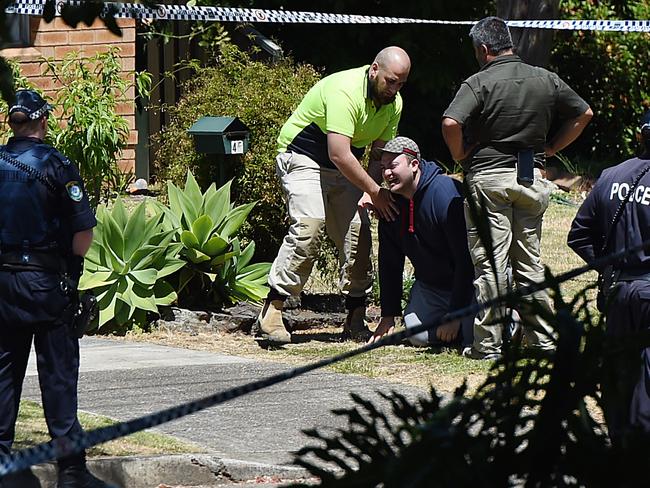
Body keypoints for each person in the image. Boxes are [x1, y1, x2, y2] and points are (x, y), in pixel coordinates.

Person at [441, 16, 593, 360]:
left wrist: (459, 153)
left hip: (489, 180)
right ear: (509, 42)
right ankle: (542, 340)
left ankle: (489, 346)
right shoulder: (545, 79)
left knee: (492, 264)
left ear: (483, 49)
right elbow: (584, 113)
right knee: (529, 262)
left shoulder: (478, 82)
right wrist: (552, 148)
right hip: (531, 178)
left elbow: (451, 121)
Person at [255, 47, 411, 344]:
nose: (395, 89)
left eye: (401, 84)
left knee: (358, 230)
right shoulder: (346, 90)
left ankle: (355, 315)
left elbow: (378, 154)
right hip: (303, 156)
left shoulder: (394, 103)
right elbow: (339, 153)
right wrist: (375, 191)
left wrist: (371, 193)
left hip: (342, 166)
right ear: (374, 69)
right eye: (391, 81)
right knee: (310, 224)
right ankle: (273, 309)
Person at [0, 90, 108, 487]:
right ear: (43, 122)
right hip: (47, 284)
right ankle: (72, 471)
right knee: (58, 376)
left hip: (3, 286)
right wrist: (72, 271)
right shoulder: (57, 165)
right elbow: (83, 232)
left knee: (4, 375)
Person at [567, 108, 650, 441]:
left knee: (617, 375)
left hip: (616, 292)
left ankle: (617, 450)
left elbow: (579, 235)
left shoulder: (612, 175)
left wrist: (608, 267)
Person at [367, 137, 475, 347]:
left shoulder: (444, 194)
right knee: (418, 336)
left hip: (469, 283)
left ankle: (510, 317)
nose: (387, 173)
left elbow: (466, 259)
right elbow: (390, 263)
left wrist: (455, 313)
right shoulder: (391, 205)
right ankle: (459, 328)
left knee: (476, 338)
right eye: (383, 168)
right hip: (432, 287)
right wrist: (388, 315)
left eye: (393, 166)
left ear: (414, 164)